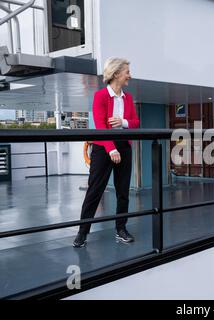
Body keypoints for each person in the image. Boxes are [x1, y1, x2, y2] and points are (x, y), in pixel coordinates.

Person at [73, 58, 140, 248]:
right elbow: (101, 127)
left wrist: (122, 122)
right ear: (116, 73)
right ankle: (82, 232)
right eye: (127, 71)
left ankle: (121, 229)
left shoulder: (127, 98)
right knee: (95, 190)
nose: (129, 75)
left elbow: (135, 122)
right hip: (103, 147)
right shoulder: (100, 96)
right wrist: (111, 149)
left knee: (123, 192)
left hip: (124, 147)